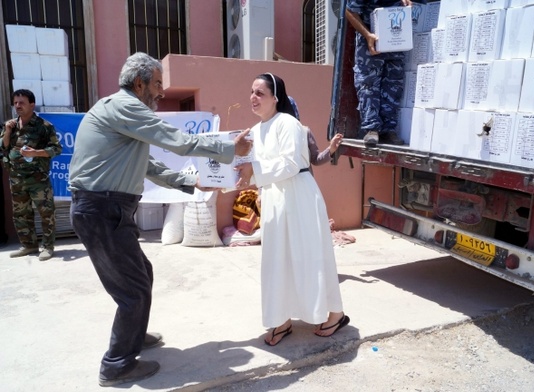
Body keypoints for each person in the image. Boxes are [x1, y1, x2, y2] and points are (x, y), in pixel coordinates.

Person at [68, 52, 252, 387]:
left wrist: (189, 181)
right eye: (156, 84)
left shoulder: (121, 115)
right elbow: (177, 140)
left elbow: (148, 166)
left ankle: (133, 337)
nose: (160, 92)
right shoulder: (125, 106)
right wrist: (227, 150)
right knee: (133, 290)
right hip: (101, 209)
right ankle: (116, 365)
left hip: (108, 209)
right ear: (138, 84)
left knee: (140, 275)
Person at [235, 73, 349, 346]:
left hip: (299, 196)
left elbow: (288, 165)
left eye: (260, 93)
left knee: (311, 256)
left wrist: (254, 172)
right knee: (277, 260)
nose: (253, 97)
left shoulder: (289, 124)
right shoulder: (254, 131)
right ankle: (282, 319)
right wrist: (244, 181)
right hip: (275, 198)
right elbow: (251, 169)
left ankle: (335, 313)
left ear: (276, 97)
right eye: (251, 92)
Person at [1, 89, 63, 261]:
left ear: (32, 104)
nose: (18, 106)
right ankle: (29, 246)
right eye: (15, 103)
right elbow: (4, 147)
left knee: (46, 213)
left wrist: (37, 152)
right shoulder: (11, 125)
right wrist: (6, 130)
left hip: (38, 179)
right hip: (16, 179)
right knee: (21, 214)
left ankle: (48, 247)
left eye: (22, 103)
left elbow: (56, 149)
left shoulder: (44, 126)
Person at [346, 0, 412, 147]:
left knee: (393, 84)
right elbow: (350, 12)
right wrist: (368, 35)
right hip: (370, 39)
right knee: (368, 84)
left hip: (395, 38)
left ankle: (388, 130)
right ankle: (371, 129)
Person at [288, 96, 343, 173]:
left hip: (302, 182)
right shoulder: (271, 134)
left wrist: (331, 149)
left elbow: (316, 159)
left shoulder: (304, 132)